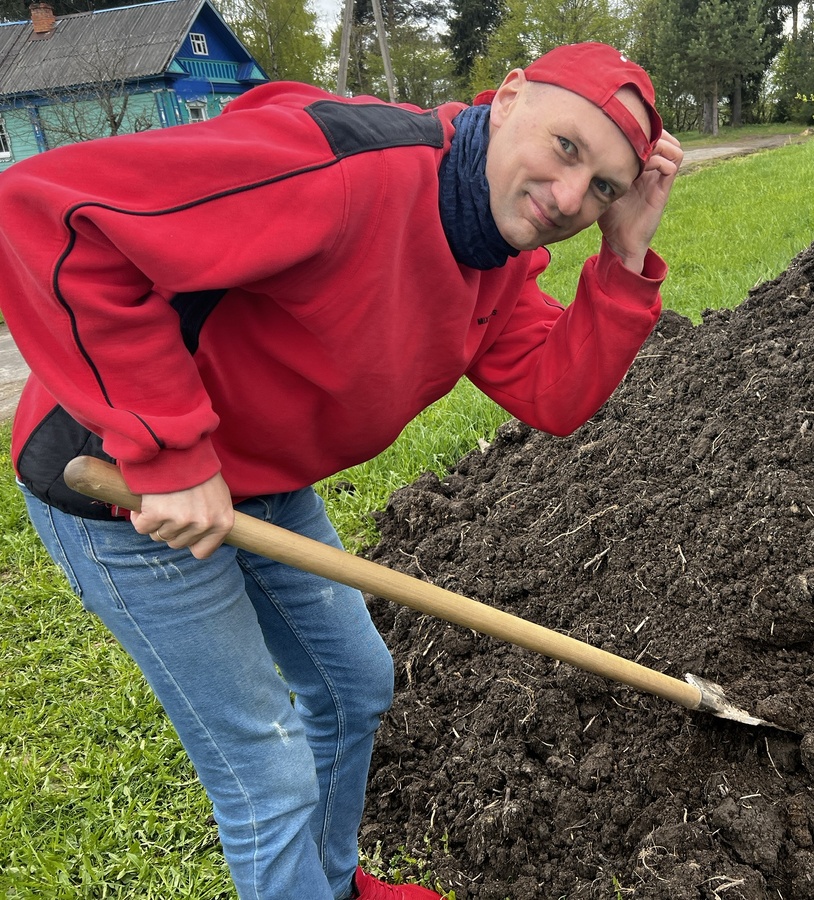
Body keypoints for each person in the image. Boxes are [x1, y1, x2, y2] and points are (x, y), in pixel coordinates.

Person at [0, 42, 681, 900]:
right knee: (269, 768)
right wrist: (166, 447)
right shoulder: (341, 165)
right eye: (567, 148)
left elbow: (554, 393)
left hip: (261, 479)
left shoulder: (491, 256)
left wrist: (622, 256)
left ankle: (330, 885)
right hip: (124, 485)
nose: (569, 199)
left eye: (606, 190)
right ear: (508, 98)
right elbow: (48, 212)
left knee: (354, 683)